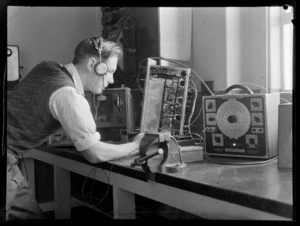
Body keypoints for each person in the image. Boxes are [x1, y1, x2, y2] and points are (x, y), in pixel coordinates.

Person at [6, 36, 144, 220]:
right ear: (93, 64)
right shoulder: (69, 94)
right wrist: (136, 144)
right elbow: (95, 154)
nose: (111, 80)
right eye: (110, 71)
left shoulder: (48, 66)